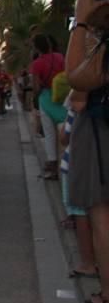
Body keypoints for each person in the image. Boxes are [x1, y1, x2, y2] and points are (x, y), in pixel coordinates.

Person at [63, 0, 109, 303]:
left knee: (101, 213)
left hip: (100, 131)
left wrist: (81, 23)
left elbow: (76, 78)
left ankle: (107, 292)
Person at [59, 91, 97, 279]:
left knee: (81, 215)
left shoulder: (80, 92)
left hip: (76, 165)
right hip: (101, 167)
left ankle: (88, 263)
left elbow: (65, 136)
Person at [30, 33, 67, 179]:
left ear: (36, 47)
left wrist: (34, 97)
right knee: (65, 129)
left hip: (46, 98)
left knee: (50, 134)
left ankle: (53, 168)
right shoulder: (60, 57)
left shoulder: (37, 63)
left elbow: (36, 88)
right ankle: (68, 163)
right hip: (63, 96)